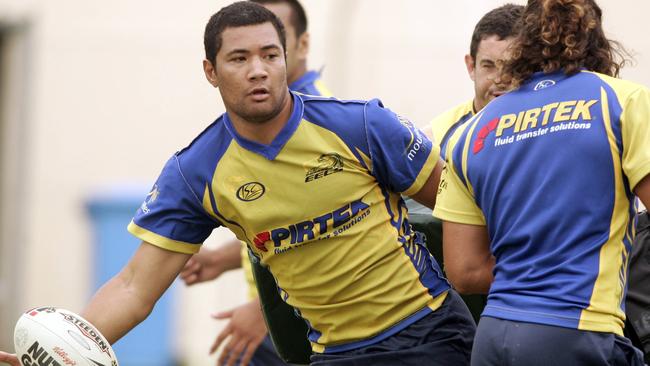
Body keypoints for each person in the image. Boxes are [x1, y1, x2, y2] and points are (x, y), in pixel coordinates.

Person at [1, 2, 475, 366]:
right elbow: (133, 287)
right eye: (239, 58)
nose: (258, 69)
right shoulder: (197, 172)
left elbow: (460, 209)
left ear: (286, 59)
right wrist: (60, 351)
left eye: (270, 55)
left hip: (430, 334)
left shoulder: (362, 125)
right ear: (211, 71)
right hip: (335, 353)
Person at [433, 0, 650, 365]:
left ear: (521, 45)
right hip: (577, 329)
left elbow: (464, 271)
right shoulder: (620, 99)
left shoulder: (469, 133)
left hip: (493, 336)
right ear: (598, 42)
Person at [179, 1, 331, 364]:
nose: (257, 67)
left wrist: (266, 312)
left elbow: (330, 236)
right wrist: (225, 258)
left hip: (306, 325)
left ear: (299, 44)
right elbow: (286, 225)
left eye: (270, 45)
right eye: (241, 53)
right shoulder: (252, 124)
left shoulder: (321, 125)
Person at [414, 3, 524, 324]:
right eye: (489, 66)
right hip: (456, 312)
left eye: (514, 67)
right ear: (470, 65)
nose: (500, 80)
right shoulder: (433, 140)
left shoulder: (547, 129)